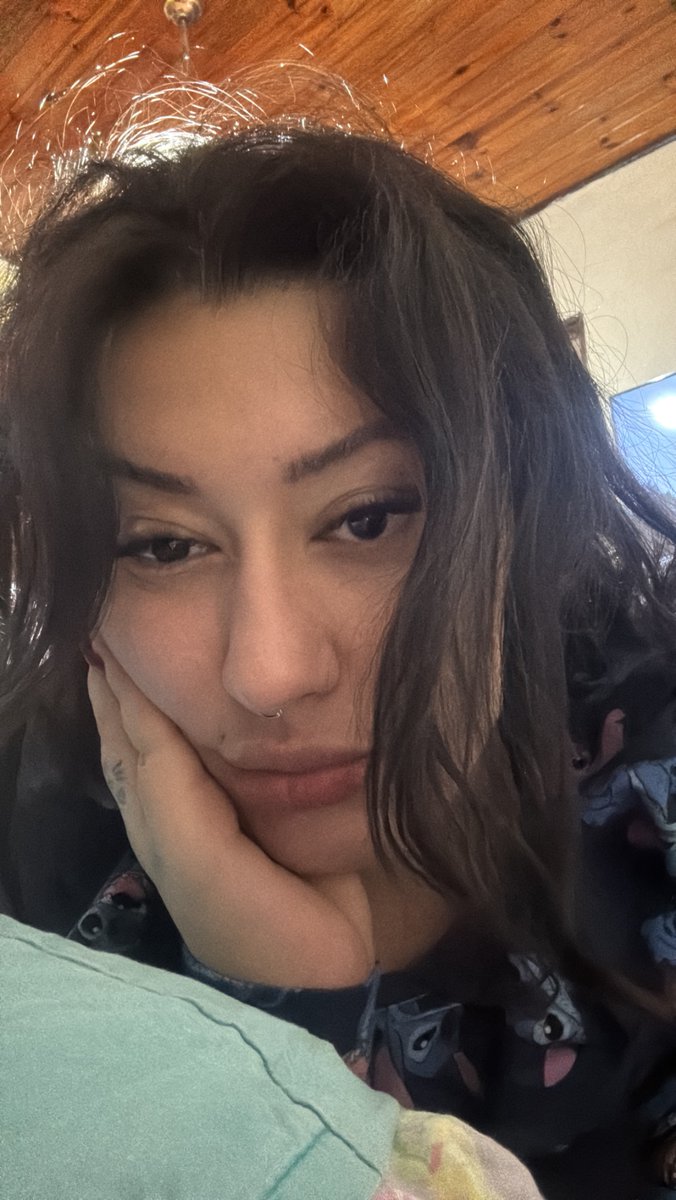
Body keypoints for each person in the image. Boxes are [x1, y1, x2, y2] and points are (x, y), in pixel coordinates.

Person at [2, 122, 676, 1199]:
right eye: (162, 546)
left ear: (527, 508)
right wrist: (281, 1023)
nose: (269, 673)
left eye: (367, 517)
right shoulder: (29, 919)